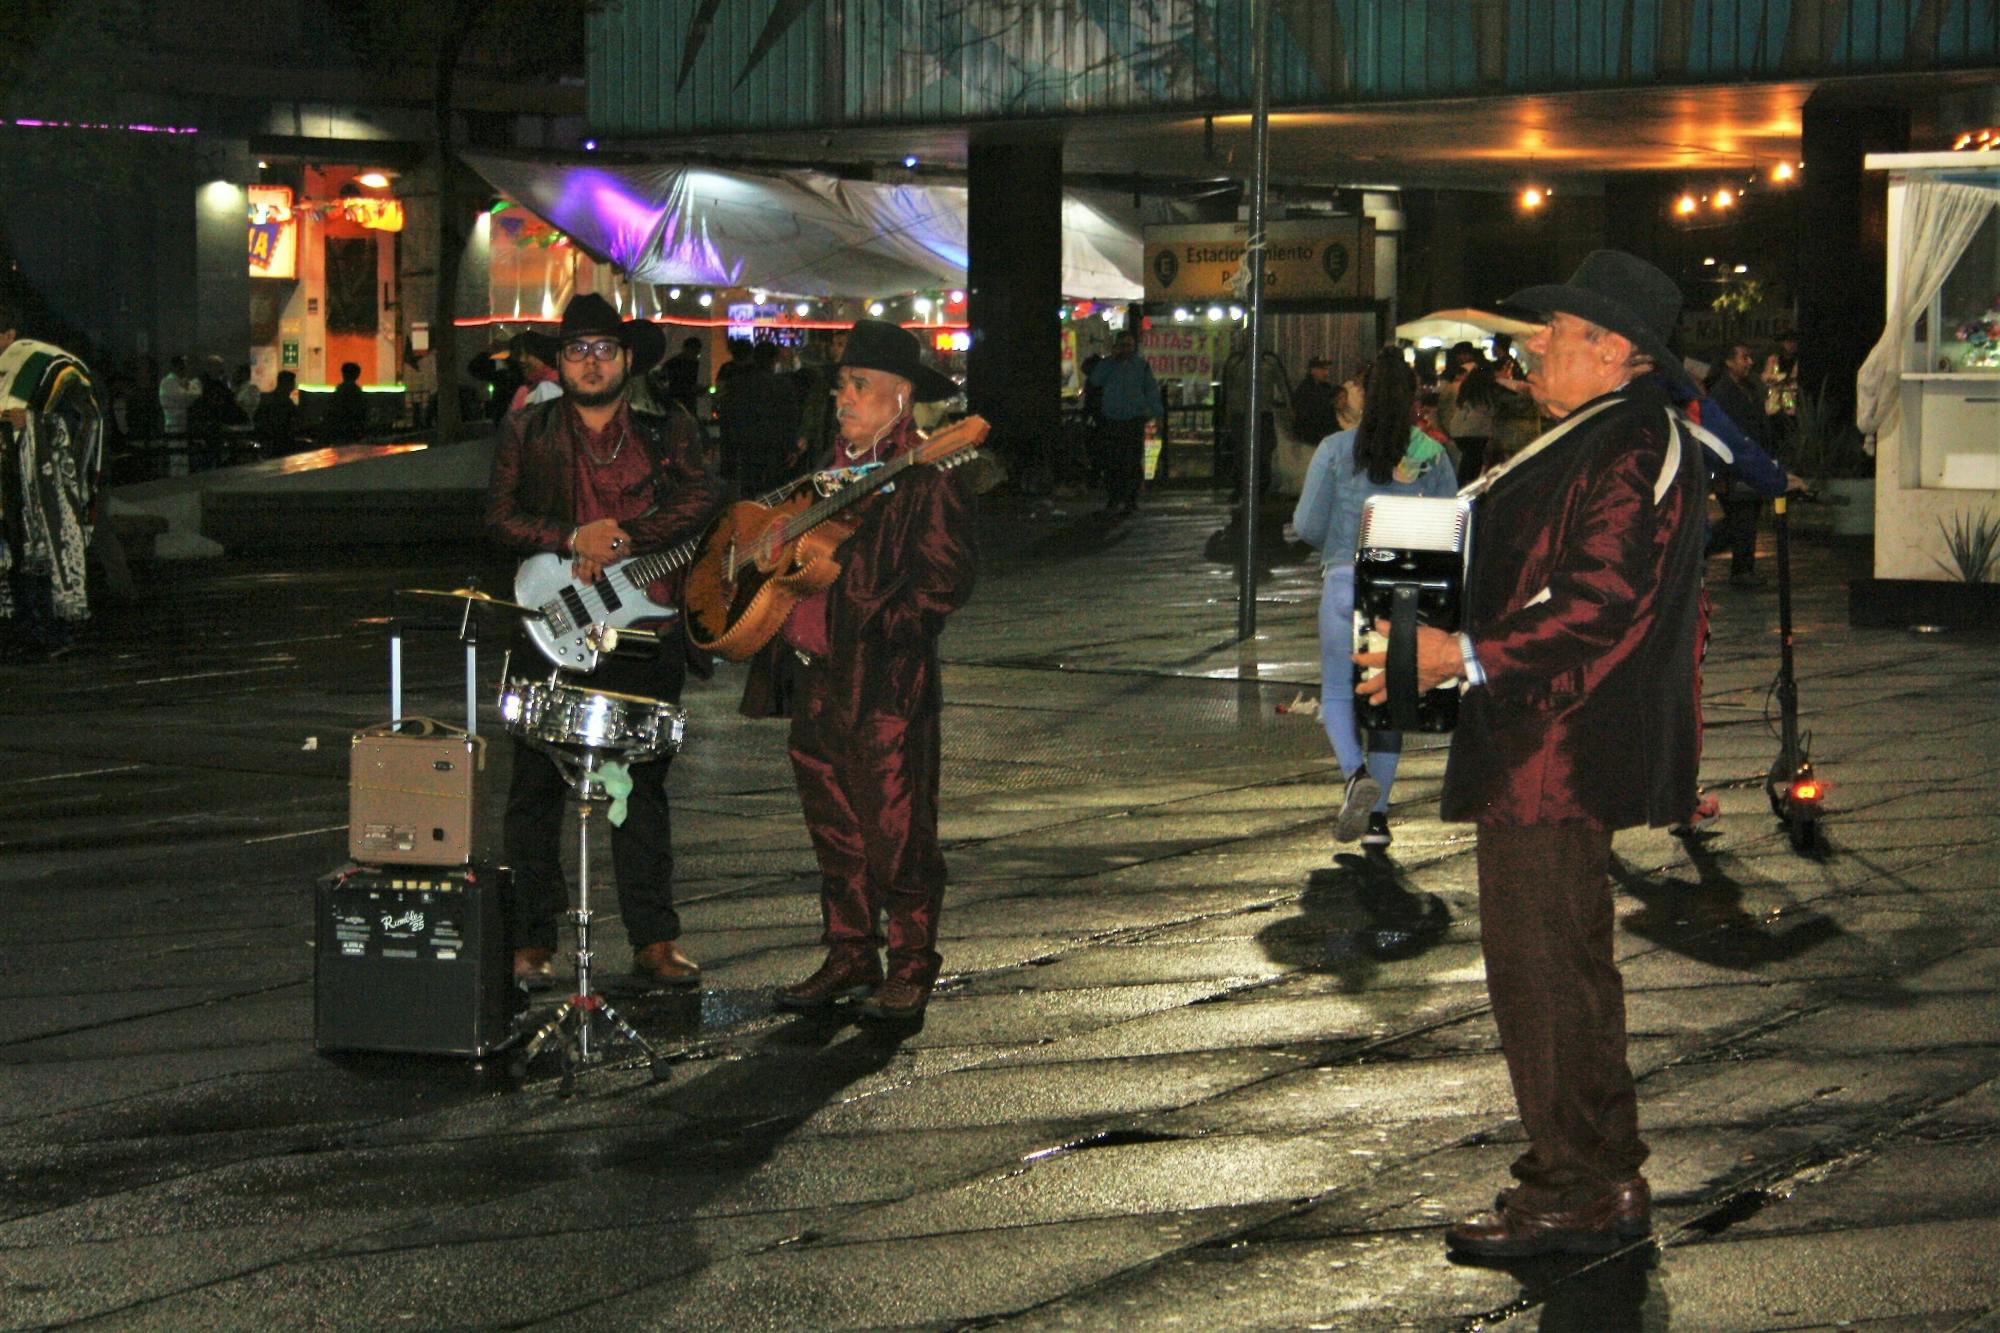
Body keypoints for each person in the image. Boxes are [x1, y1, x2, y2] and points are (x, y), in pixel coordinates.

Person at [1356, 251, 1706, 1259]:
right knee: (1567, 964)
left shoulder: (1620, 444)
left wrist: (1455, 650)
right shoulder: (1610, 434)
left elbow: (1596, 601)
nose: (1533, 345)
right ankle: (1602, 1170)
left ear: (1611, 350)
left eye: (1554, 332)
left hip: (1548, 743)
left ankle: (1568, 1186)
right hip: (1549, 737)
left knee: (1538, 972)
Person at [484, 293, 723, 992]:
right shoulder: (528, 429)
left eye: (604, 350)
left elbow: (700, 499)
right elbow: (498, 517)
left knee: (642, 785)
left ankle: (653, 937)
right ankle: (532, 940)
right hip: (551, 618)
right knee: (534, 786)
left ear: (626, 360)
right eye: (577, 350)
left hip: (644, 626)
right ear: (560, 362)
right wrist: (569, 539)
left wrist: (621, 539)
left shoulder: (664, 425)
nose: (591, 362)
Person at [742, 318, 975, 1023]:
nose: (845, 395)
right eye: (842, 383)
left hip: (885, 689)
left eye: (861, 384)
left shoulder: (923, 479)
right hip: (814, 678)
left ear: (901, 399)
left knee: (898, 833)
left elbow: (945, 581)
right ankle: (849, 953)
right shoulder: (826, 471)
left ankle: (909, 965)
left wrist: (876, 624)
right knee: (834, 830)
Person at [1293, 345, 1458, 847]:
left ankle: (1353, 776)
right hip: (1404, 593)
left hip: (1346, 581)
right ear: (1413, 399)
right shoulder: (1433, 456)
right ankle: (1378, 820)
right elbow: (1451, 525)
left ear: (1363, 394)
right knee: (1390, 700)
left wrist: (1339, 549)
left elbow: (1305, 525)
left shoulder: (1335, 449)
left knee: (1340, 690)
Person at [0, 299, 103, 661]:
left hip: (49, 489)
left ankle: (58, 632)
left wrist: (31, 423)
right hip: (9, 487)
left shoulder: (53, 366)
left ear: (10, 333)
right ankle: (24, 631)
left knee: (47, 558)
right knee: (13, 560)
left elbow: (87, 420)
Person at [1705, 341, 1775, 588]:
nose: (1749, 362)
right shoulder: (1723, 394)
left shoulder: (1748, 388)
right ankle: (1722, 559)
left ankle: (1742, 568)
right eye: (1743, 357)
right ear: (1729, 361)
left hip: (1748, 462)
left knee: (1745, 517)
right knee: (1739, 518)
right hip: (1732, 467)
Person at [1086, 331, 1165, 517]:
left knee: (1132, 460)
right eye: (1123, 345)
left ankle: (1130, 499)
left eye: (1129, 345)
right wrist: (1110, 361)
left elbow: (1151, 389)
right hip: (1112, 418)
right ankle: (1114, 498)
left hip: (1133, 418)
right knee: (1113, 461)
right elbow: (1096, 380)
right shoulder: (1108, 365)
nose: (1126, 349)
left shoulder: (1141, 366)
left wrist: (1154, 411)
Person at [717, 341, 803, 494]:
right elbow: (791, 417)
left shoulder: (739, 384)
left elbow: (729, 418)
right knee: (775, 490)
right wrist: (791, 446)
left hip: (747, 446)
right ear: (774, 360)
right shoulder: (784, 385)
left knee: (748, 488)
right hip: (775, 446)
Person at [506, 331, 562, 414]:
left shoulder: (548, 388)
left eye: (528, 354)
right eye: (519, 354)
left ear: (542, 355)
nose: (522, 359)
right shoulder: (536, 385)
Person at [1291, 357, 1340, 444]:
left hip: (1326, 431)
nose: (1326, 373)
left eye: (1327, 369)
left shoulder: (1326, 387)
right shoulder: (1304, 389)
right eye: (1323, 369)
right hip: (1312, 434)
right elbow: (1307, 417)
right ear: (1313, 370)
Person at [253, 370, 304, 453]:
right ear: (287, 384)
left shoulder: (266, 398)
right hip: (281, 442)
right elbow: (298, 418)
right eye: (292, 383)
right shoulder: (285, 402)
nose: (294, 386)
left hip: (266, 441)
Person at [660, 336, 704, 418]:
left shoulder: (673, 363)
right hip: (678, 401)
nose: (696, 355)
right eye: (695, 352)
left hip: (681, 402)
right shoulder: (675, 364)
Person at [325, 361, 369, 442]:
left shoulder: (339, 391)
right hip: (353, 430)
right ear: (357, 375)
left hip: (339, 430)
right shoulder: (356, 391)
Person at [157, 356, 196, 439]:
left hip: (183, 426)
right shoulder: (168, 382)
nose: (187, 368)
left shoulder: (180, 382)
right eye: (184, 365)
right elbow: (186, 399)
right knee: (177, 450)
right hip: (175, 427)